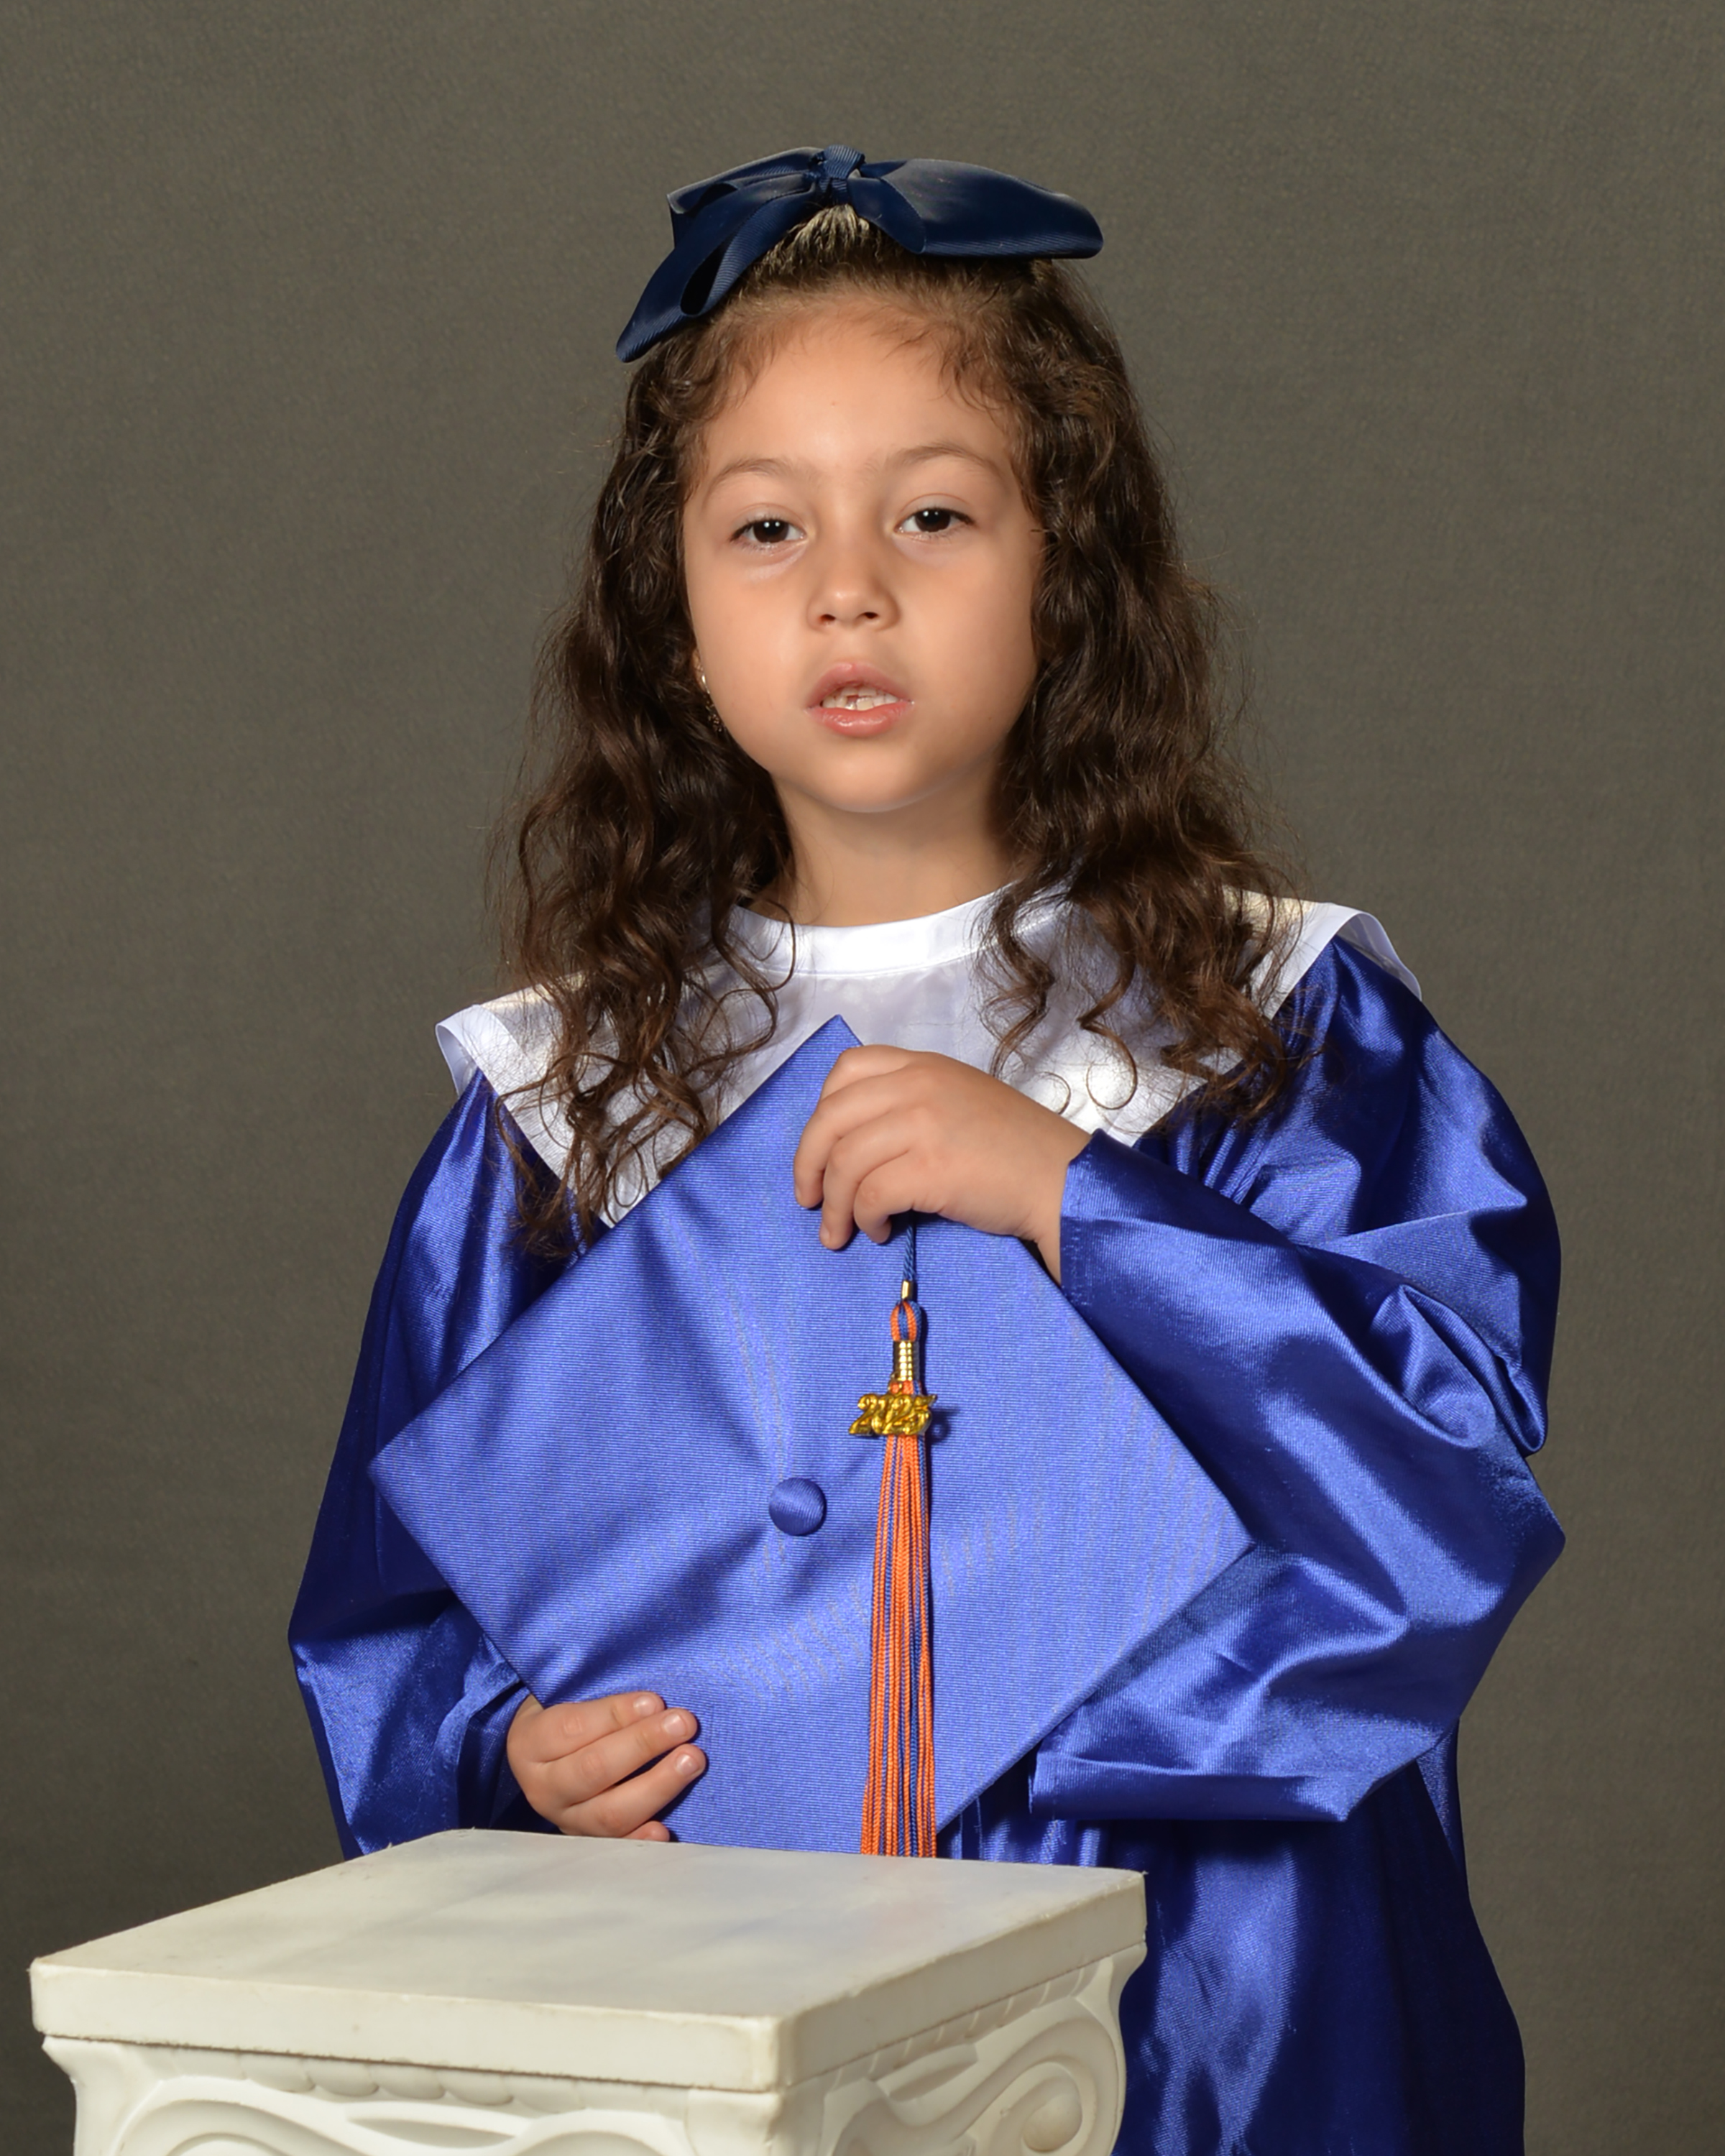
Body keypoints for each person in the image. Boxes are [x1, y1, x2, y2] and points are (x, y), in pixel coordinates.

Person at [292, 149, 1563, 2155]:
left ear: (1072, 574)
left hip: (1201, 1978)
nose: (848, 588)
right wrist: (509, 1756)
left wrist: (1069, 1192)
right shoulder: (571, 1104)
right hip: (739, 1974)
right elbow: (404, 1616)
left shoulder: (1269, 1032)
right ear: (674, 619)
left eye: (936, 514)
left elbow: (1437, 1493)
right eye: (766, 526)